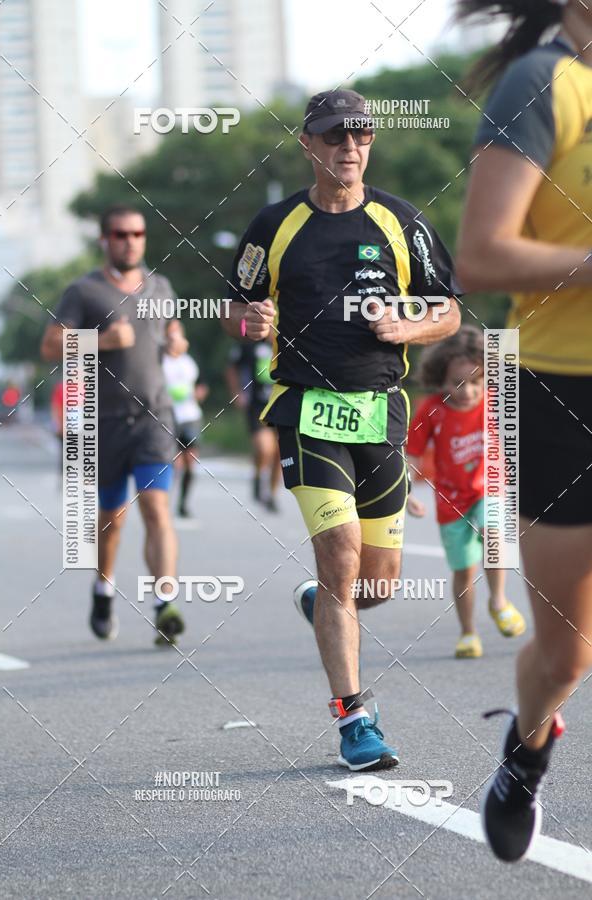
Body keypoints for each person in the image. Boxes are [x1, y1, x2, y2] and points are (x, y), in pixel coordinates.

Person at [222, 88, 462, 771]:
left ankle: (324, 604)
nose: (349, 147)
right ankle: (354, 717)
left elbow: (447, 311)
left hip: (381, 409)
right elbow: (235, 310)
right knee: (340, 553)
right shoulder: (275, 225)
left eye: (360, 135)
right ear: (309, 145)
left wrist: (410, 326)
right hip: (306, 410)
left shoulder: (400, 220)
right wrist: (249, 322)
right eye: (334, 136)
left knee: (375, 584)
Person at [455, 0, 592, 863]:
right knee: (565, 653)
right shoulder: (545, 83)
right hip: (562, 392)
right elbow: (481, 255)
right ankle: (527, 748)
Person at [41, 205, 188, 646]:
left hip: (153, 418)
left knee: (157, 510)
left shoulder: (160, 286)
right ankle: (103, 589)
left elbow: (172, 330)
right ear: (105, 239)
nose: (130, 241)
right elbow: (50, 345)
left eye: (138, 234)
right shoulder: (84, 291)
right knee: (112, 518)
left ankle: (165, 605)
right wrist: (101, 341)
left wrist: (178, 340)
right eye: (121, 234)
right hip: (102, 423)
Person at [406, 325, 526, 658]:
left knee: (493, 534)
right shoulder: (431, 409)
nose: (469, 391)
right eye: (458, 382)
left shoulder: (494, 403)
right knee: (463, 570)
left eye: (476, 382)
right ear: (440, 378)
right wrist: (407, 491)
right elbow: (413, 453)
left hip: (490, 487)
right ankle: (468, 632)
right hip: (450, 501)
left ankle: (499, 601)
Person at [225, 339, 281, 511]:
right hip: (256, 404)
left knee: (280, 452)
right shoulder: (249, 344)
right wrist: (237, 393)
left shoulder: (287, 341)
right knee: (265, 448)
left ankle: (272, 494)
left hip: (281, 402)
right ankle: (257, 476)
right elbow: (231, 368)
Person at [162, 349, 208, 519]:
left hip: (191, 417)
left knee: (190, 462)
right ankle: (164, 502)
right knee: (176, 463)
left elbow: (202, 384)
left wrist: (200, 392)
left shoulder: (190, 361)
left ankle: (183, 503)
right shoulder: (161, 360)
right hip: (168, 417)